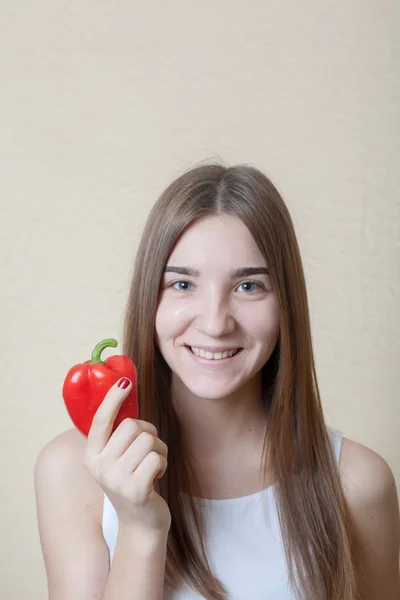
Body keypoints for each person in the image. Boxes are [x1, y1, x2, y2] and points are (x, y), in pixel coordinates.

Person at [34, 162, 400, 600]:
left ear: (287, 305)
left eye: (248, 286)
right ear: (150, 298)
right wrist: (141, 530)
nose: (214, 323)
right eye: (183, 284)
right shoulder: (73, 472)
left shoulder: (358, 483)